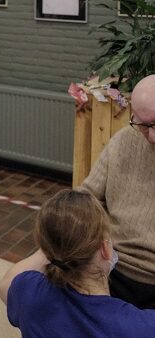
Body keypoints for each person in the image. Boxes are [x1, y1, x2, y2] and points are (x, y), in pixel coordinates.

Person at [0, 190, 155, 337]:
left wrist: (54, 245)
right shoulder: (140, 327)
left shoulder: (28, 294)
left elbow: (5, 284)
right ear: (105, 249)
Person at [76, 74, 155, 309]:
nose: (152, 137)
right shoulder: (123, 141)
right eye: (143, 124)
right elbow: (86, 197)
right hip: (112, 267)